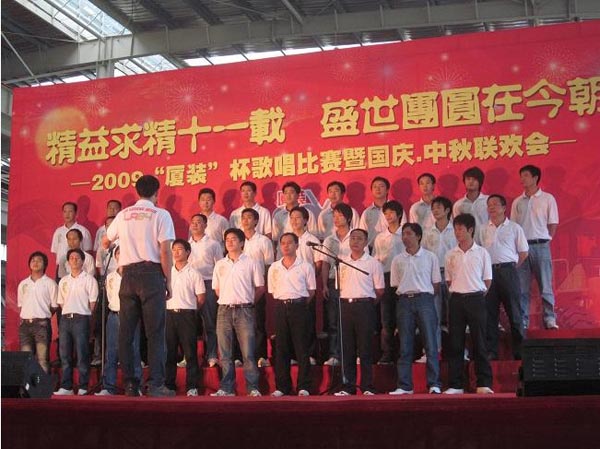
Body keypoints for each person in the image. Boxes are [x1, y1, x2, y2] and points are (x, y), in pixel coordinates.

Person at [104, 174, 176, 397]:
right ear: (157, 192)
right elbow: (165, 251)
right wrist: (168, 280)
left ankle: (131, 384)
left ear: (137, 192)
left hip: (128, 275)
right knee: (155, 333)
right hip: (151, 274)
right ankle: (156, 385)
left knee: (127, 333)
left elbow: (106, 241)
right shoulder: (161, 214)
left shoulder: (123, 214)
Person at [211, 228, 265, 397]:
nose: (229, 242)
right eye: (227, 239)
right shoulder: (220, 264)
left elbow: (260, 287)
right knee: (225, 353)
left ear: (242, 242)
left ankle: (252, 387)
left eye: (233, 239)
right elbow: (217, 289)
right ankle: (227, 388)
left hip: (244, 310)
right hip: (224, 310)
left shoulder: (251, 262)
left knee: (248, 353)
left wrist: (248, 302)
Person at [443, 214, 494, 394]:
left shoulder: (482, 253)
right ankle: (456, 385)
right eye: (455, 229)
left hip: (476, 299)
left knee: (480, 342)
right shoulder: (450, 254)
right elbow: (449, 280)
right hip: (456, 300)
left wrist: (474, 293)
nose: (457, 233)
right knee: (455, 343)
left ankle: (484, 383)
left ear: (470, 230)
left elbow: (487, 281)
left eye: (460, 229)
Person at [389, 223, 442, 395]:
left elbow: (436, 284)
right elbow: (395, 284)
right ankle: (405, 385)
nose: (405, 237)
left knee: (431, 344)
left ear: (418, 236)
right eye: (403, 234)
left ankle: (434, 383)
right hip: (404, 301)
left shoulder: (430, 257)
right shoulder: (397, 259)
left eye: (409, 234)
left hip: (425, 300)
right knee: (405, 345)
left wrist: (425, 297)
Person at [334, 229, 384, 396]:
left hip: (365, 307)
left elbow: (380, 290)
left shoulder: (373, 263)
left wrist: (366, 303)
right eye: (352, 238)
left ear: (366, 242)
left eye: (359, 239)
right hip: (345, 307)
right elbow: (338, 288)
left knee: (365, 348)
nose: (355, 241)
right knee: (346, 348)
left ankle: (367, 386)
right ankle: (348, 386)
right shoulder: (342, 263)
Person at [510, 164, 560, 330]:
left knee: (545, 285)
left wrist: (546, 239)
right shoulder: (517, 201)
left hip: (541, 246)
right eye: (521, 176)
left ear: (535, 178)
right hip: (522, 249)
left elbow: (553, 223)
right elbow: (513, 227)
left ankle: (549, 318)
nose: (522, 179)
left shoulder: (547, 198)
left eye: (526, 175)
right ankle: (523, 320)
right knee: (522, 288)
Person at [480, 194, 528, 360]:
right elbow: (478, 252)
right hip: (488, 274)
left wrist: (511, 268)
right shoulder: (482, 229)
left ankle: (520, 351)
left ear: (504, 208)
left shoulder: (514, 228)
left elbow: (523, 252)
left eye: (495, 204)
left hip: (508, 271)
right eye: (489, 205)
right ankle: (491, 351)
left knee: (514, 313)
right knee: (490, 314)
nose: (492, 207)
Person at [269, 233, 316, 397]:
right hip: (281, 307)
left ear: (297, 245)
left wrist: (298, 303)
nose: (286, 246)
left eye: (289, 243)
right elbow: (272, 290)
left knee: (302, 348)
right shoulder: (274, 267)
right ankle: (283, 387)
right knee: (281, 348)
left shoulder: (305, 266)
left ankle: (304, 386)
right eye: (283, 243)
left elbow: (311, 290)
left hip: (299, 307)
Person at [95, 246, 142, 396]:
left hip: (131, 317)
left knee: (133, 351)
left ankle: (136, 386)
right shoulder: (110, 277)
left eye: (124, 253)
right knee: (111, 352)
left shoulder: (136, 275)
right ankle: (109, 386)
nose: (121, 256)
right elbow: (108, 298)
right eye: (118, 253)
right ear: (115, 257)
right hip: (114, 316)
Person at [54, 248, 98, 396]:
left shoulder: (89, 280)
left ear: (83, 261)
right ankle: (66, 386)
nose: (74, 260)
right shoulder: (63, 281)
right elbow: (61, 302)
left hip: (82, 318)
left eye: (77, 258)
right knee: (65, 354)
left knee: (82, 353)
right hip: (65, 319)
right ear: (68, 262)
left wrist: (82, 313)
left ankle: (83, 386)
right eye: (71, 258)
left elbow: (93, 303)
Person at [166, 239, 206, 396]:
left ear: (188, 252)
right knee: (169, 352)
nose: (176, 252)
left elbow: (201, 298)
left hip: (187, 315)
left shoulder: (194, 273)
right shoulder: (167, 272)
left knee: (190, 352)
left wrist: (190, 309)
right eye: (174, 249)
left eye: (180, 249)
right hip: (169, 314)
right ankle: (169, 385)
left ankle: (192, 386)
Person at [316, 203, 354, 367]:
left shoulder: (355, 237)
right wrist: (324, 284)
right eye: (334, 216)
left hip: (351, 282)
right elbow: (325, 263)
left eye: (340, 215)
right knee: (333, 321)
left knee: (351, 321)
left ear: (349, 218)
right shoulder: (329, 240)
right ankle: (334, 354)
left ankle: (352, 354)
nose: (336, 219)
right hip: (333, 282)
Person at [372, 200, 405, 365]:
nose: (388, 216)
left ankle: (404, 353)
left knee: (404, 319)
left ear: (399, 214)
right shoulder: (380, 237)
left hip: (404, 278)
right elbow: (375, 260)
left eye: (391, 212)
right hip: (385, 277)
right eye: (385, 213)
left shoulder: (406, 233)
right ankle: (387, 353)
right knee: (386, 319)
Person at [188, 213, 223, 368]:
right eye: (193, 222)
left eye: (199, 222)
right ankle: (189, 356)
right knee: (189, 323)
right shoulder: (185, 245)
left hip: (208, 283)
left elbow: (220, 267)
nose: (195, 225)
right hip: (189, 286)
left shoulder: (213, 244)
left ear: (205, 225)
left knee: (210, 322)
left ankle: (212, 355)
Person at [241, 208, 274, 368]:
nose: (246, 220)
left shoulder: (264, 241)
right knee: (240, 324)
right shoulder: (237, 240)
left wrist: (263, 286)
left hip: (257, 286)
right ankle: (241, 356)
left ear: (256, 221)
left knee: (258, 322)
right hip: (240, 287)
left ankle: (261, 356)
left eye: (249, 217)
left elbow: (268, 265)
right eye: (243, 218)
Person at [422, 196, 456, 345]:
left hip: (453, 275)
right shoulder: (427, 232)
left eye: (438, 208)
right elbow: (423, 255)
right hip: (433, 275)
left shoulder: (456, 230)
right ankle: (435, 349)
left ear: (447, 210)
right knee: (434, 313)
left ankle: (458, 349)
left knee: (454, 313)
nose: (435, 211)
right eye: (433, 208)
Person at [18, 251, 57, 373]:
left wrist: (42, 315)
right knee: (26, 359)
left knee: (42, 359)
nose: (35, 263)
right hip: (25, 326)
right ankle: (27, 385)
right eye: (33, 260)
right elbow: (21, 305)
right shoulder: (23, 284)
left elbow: (54, 306)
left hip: (42, 325)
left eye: (39, 261)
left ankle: (43, 384)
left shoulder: (50, 283)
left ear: (45, 265)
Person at [360, 176, 407, 246]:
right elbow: (362, 233)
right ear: (371, 191)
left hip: (394, 246)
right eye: (375, 187)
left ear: (387, 190)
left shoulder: (396, 208)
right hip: (372, 248)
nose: (378, 189)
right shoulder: (367, 212)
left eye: (381, 186)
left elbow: (404, 229)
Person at [51, 201, 92, 280]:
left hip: (79, 267)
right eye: (65, 211)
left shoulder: (83, 231)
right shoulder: (58, 231)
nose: (67, 214)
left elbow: (88, 251)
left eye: (70, 211)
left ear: (76, 213)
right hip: (62, 267)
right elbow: (56, 251)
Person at [272, 181, 317, 247]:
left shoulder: (308, 213)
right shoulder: (278, 215)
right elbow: (275, 238)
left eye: (291, 192)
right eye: (286, 193)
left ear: (298, 195)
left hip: (303, 249)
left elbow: (313, 234)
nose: (288, 195)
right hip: (284, 250)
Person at [452, 167, 489, 244]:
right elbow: (457, 226)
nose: (471, 182)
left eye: (474, 179)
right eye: (468, 179)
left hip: (487, 241)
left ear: (480, 182)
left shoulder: (488, 201)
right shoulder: (458, 205)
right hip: (467, 243)